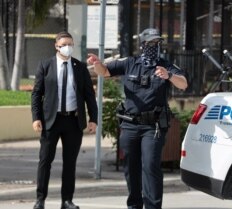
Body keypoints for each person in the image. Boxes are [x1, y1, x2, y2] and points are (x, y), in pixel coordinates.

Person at [87, 28, 187, 209]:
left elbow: (183, 84)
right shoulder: (129, 63)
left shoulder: (165, 66)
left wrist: (169, 75)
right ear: (142, 45)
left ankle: (153, 206)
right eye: (150, 43)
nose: (154, 46)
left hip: (153, 127)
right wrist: (97, 64)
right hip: (131, 125)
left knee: (150, 166)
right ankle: (134, 204)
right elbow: (105, 72)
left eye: (157, 43)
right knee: (131, 168)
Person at [31, 31, 98, 209]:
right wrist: (36, 117)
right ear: (56, 46)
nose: (68, 47)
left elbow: (89, 95)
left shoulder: (80, 67)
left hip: (73, 121)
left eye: (70, 44)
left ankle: (66, 201)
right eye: (64, 44)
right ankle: (40, 200)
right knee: (45, 161)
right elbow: (37, 94)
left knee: (70, 163)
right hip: (50, 121)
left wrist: (93, 119)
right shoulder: (45, 65)